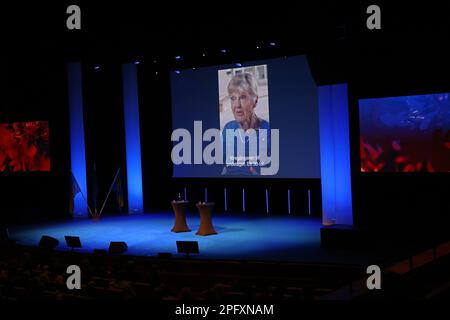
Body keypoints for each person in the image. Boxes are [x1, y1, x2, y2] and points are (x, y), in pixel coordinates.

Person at [221, 72, 270, 176]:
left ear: (255, 101)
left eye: (243, 97)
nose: (237, 105)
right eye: (233, 98)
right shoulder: (228, 129)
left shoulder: (268, 130)